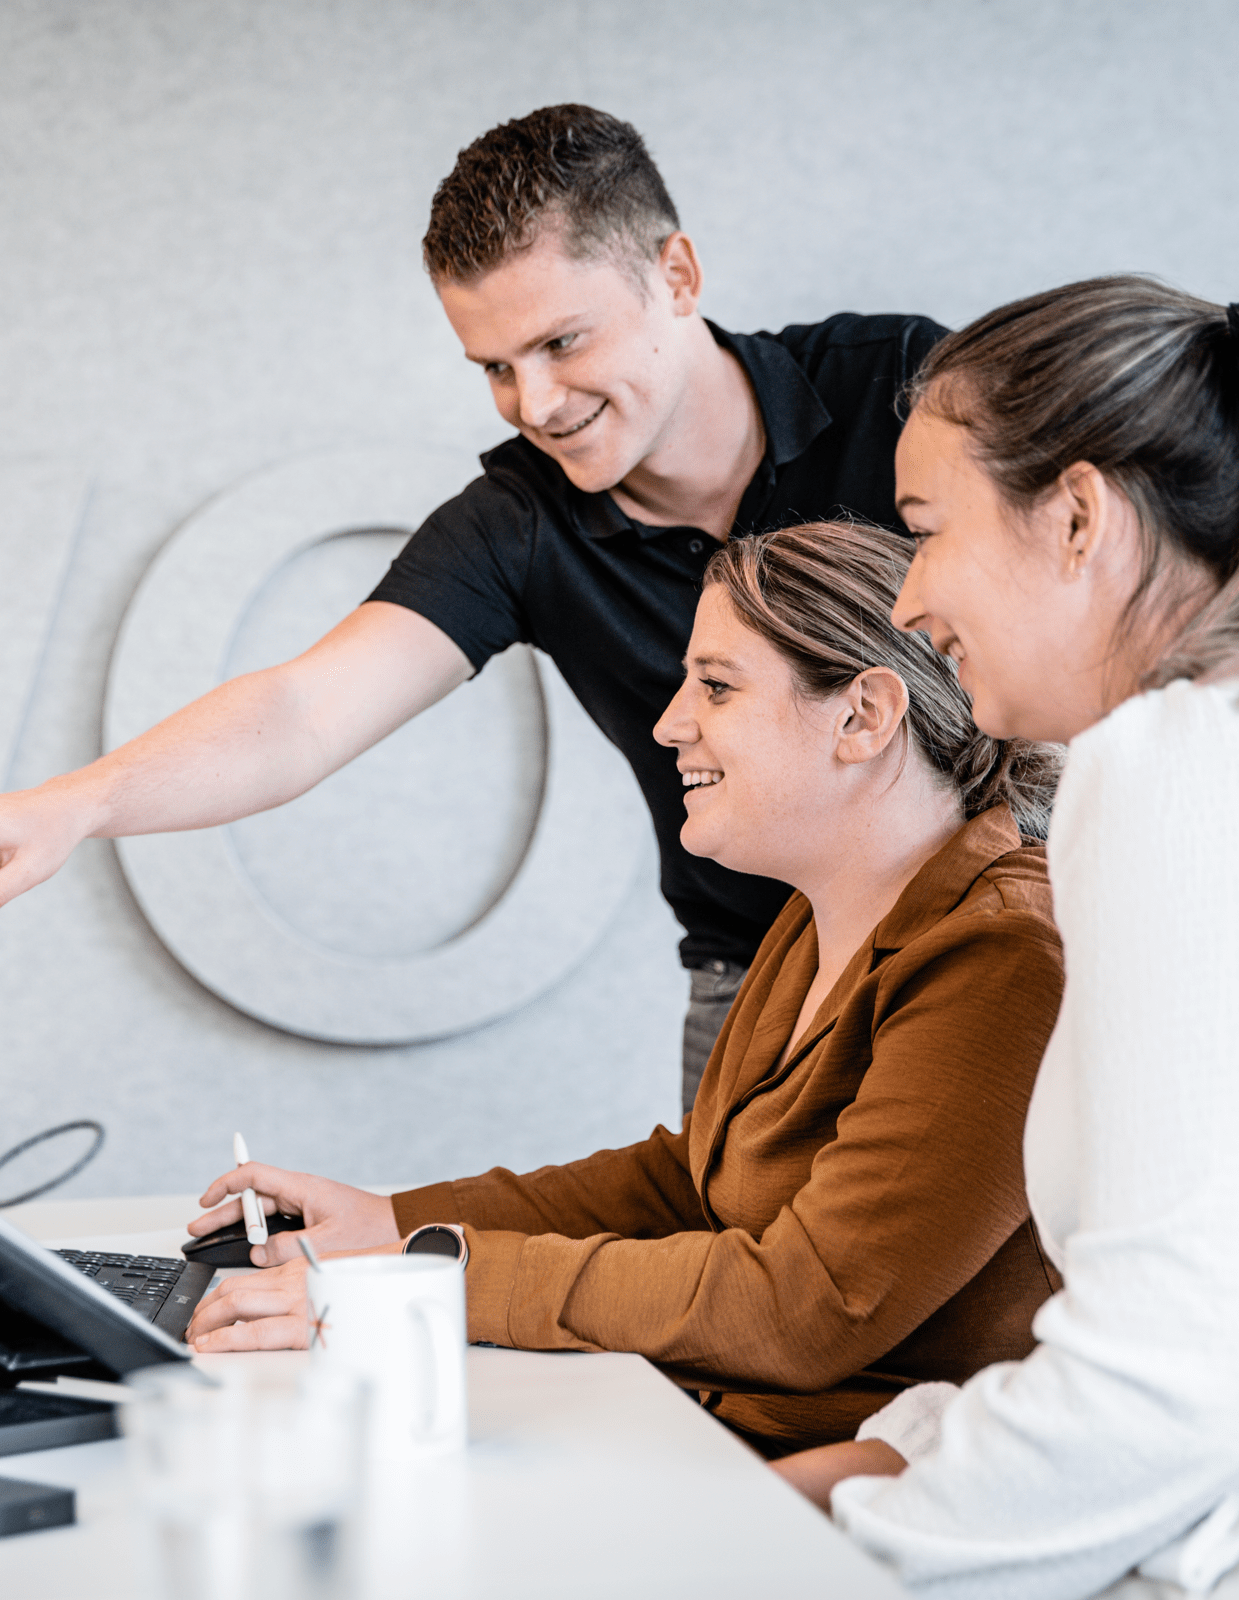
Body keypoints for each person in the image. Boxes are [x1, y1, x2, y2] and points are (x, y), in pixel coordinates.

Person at [0, 104, 947, 1115]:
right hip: (756, 987)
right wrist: (71, 805)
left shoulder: (905, 387)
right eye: (495, 367)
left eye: (563, 343)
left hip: (984, 933)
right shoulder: (520, 522)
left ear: (677, 275)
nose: (536, 405)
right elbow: (300, 714)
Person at [179, 520, 1065, 1458]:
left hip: (837, 1484)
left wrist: (434, 1276)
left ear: (864, 716)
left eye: (716, 686)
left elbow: (806, 1307)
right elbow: (692, 1184)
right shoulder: (826, 916)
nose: (669, 723)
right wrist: (390, 1221)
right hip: (719, 1427)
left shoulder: (1001, 955)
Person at [770, 280, 1239, 1598]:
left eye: (925, 531)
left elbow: (1167, 1379)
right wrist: (894, 1457)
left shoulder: (1170, 767)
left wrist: (802, 1551)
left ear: (1078, 518)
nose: (909, 601)